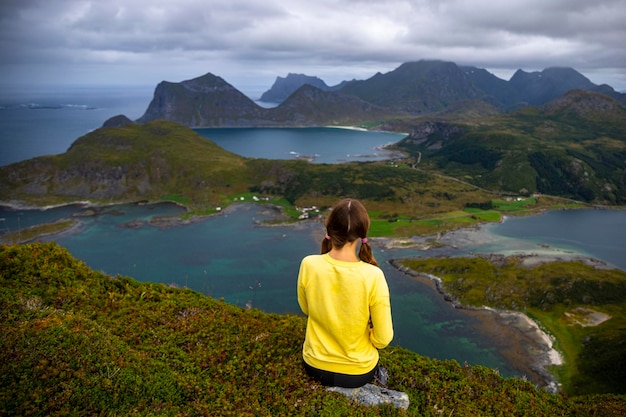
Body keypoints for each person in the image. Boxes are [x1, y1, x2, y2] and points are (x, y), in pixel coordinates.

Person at [297, 198, 394, 388]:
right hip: (357, 373)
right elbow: (383, 339)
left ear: (330, 229)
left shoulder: (309, 264)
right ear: (362, 234)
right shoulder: (373, 275)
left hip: (314, 366)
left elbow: (306, 309)